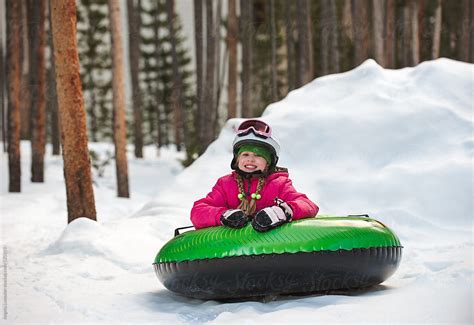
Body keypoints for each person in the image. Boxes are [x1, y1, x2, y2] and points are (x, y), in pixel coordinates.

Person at [190, 119, 319, 232]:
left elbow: (308, 205)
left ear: (268, 163)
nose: (250, 160)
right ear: (237, 160)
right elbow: (198, 211)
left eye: (258, 155)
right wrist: (223, 215)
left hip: (268, 249)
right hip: (232, 250)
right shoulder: (225, 184)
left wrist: (282, 212)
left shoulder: (279, 183)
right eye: (245, 155)